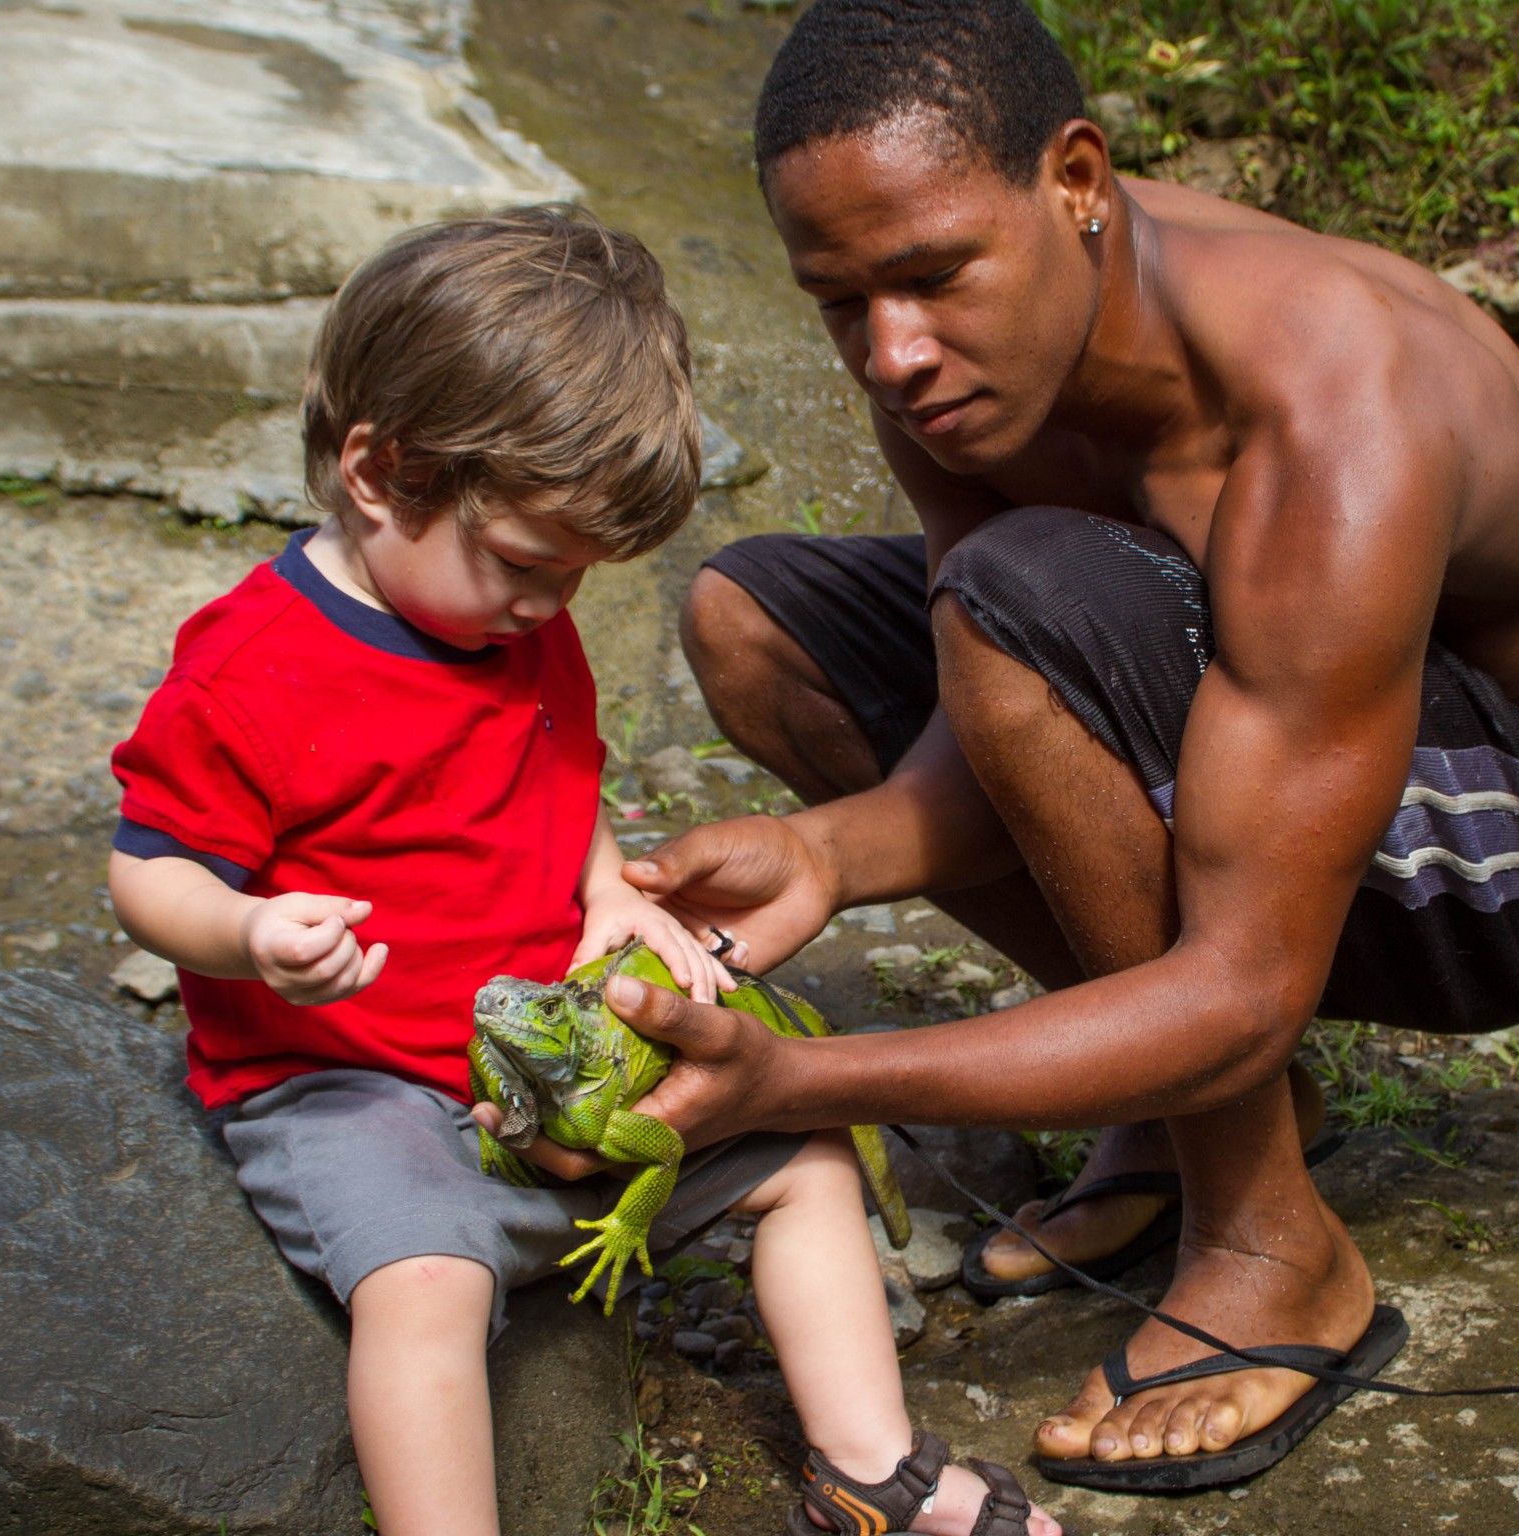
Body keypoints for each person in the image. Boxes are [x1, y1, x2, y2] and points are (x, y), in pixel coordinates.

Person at [514, 0, 1519, 1494]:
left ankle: (1269, 1243)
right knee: (757, 621)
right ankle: (1163, 1100)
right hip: (1250, 724)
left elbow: (1247, 985)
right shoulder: (955, 361)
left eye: (933, 278)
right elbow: (999, 712)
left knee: (1025, 596)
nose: (893, 353)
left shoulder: (1335, 401)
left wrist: (800, 1084)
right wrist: (825, 849)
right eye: (840, 301)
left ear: (1077, 181)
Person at [107, 205, 1060, 1536]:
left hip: (550, 1051)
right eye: (526, 566)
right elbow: (148, 875)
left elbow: (555, 780)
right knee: (424, 1284)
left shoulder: (508, 625)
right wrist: (248, 933)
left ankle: (869, 1466)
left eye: (577, 579)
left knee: (812, 1153)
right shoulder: (249, 674)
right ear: (381, 473)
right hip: (356, 1072)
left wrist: (609, 891)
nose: (550, 611)